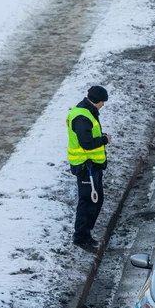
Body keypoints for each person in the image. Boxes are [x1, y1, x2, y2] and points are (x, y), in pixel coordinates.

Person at [67, 85, 111, 251]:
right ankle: (80, 237)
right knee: (88, 202)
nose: (103, 105)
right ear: (97, 101)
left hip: (93, 165)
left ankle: (86, 233)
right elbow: (86, 143)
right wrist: (104, 140)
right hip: (86, 167)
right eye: (103, 102)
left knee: (97, 200)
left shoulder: (87, 111)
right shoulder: (82, 117)